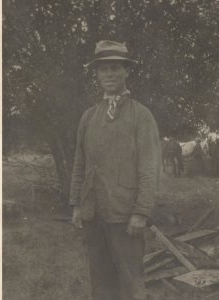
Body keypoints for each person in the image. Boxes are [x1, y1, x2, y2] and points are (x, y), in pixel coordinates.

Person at [69, 40, 161, 300]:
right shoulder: (88, 116)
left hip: (126, 217)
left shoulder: (141, 116)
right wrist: (77, 204)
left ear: (126, 72)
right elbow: (80, 163)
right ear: (97, 74)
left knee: (131, 284)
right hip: (93, 213)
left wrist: (141, 212)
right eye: (103, 69)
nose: (109, 74)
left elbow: (149, 168)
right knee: (101, 283)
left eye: (115, 68)